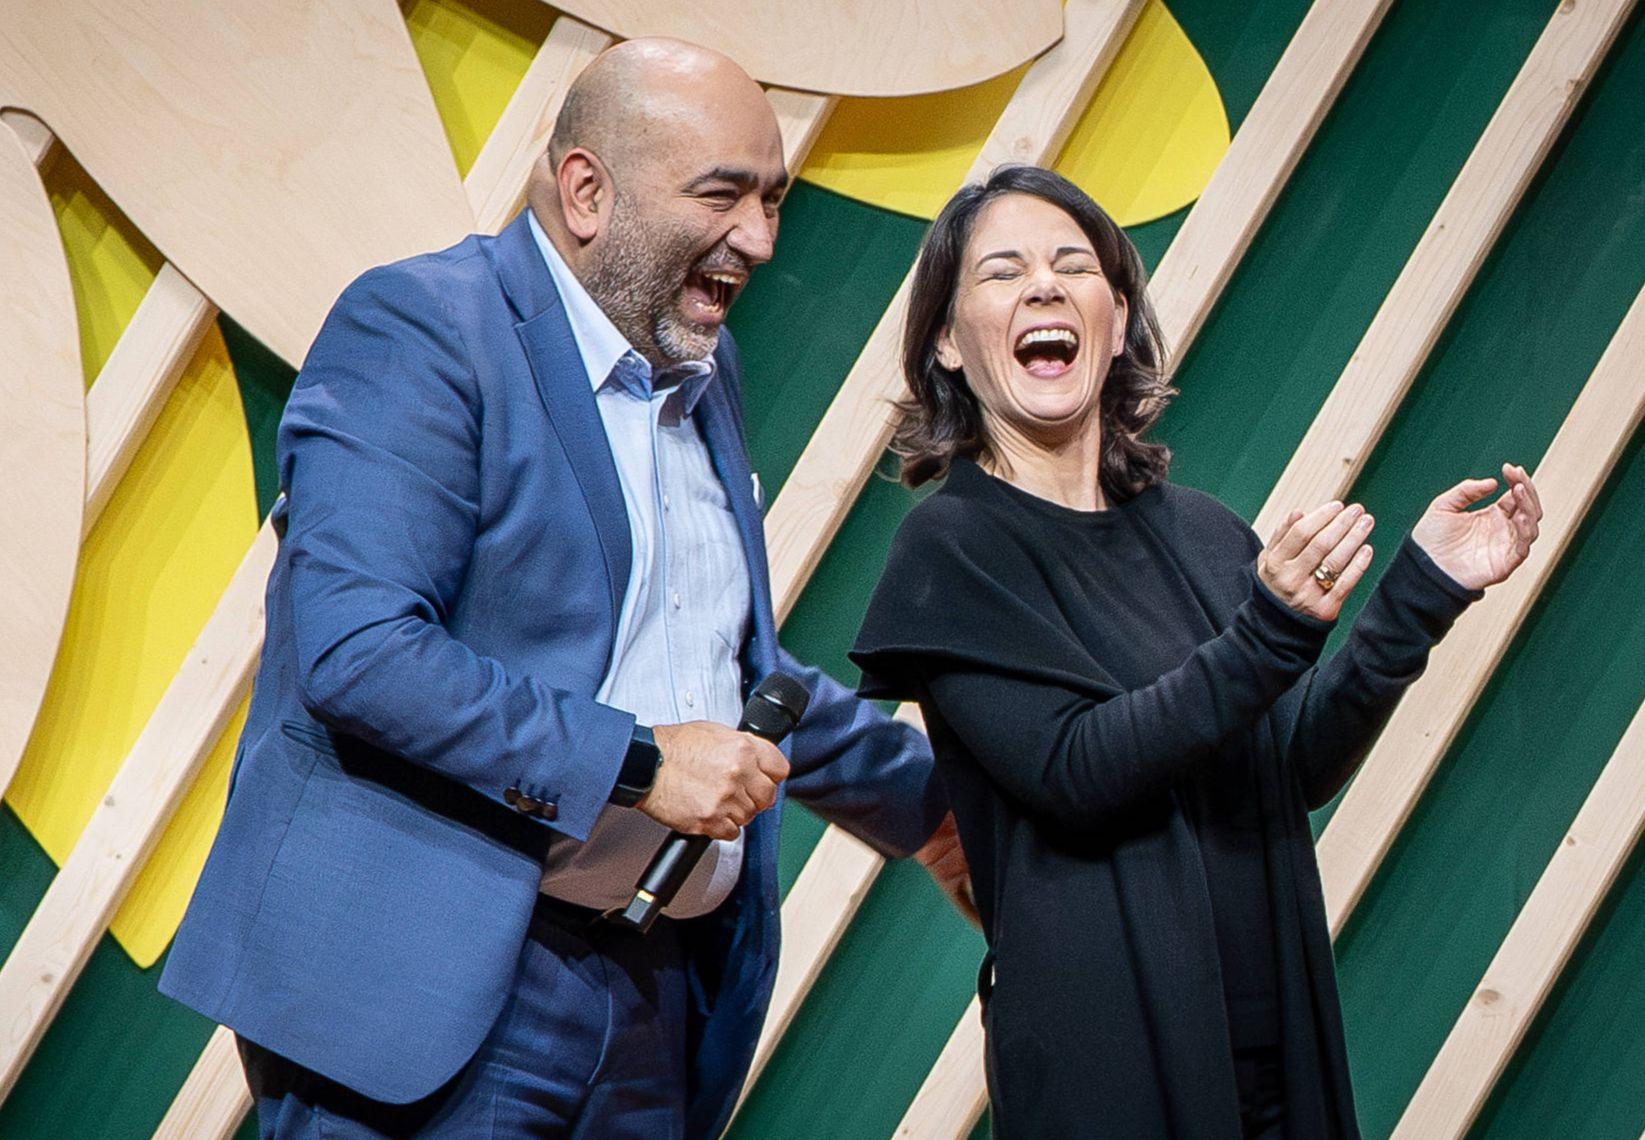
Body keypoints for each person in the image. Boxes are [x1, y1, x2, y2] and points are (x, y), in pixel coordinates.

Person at [160, 38, 963, 1140]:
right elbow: (360, 651)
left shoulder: (703, 363)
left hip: (653, 1000)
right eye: (722, 196)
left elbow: (725, 669)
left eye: (772, 200)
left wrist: (934, 810)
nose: (761, 240)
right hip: (436, 997)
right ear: (587, 189)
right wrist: (637, 764)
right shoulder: (425, 328)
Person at [849, 165, 1543, 1138]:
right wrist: (1272, 629)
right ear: (945, 344)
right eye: (1002, 272)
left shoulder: (1206, 531)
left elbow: (1287, 764)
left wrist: (1419, 592)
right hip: (1110, 1071)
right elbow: (1073, 770)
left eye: (1071, 264)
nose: (1043, 286)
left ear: (1118, 317)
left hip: (1272, 1052)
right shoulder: (952, 550)